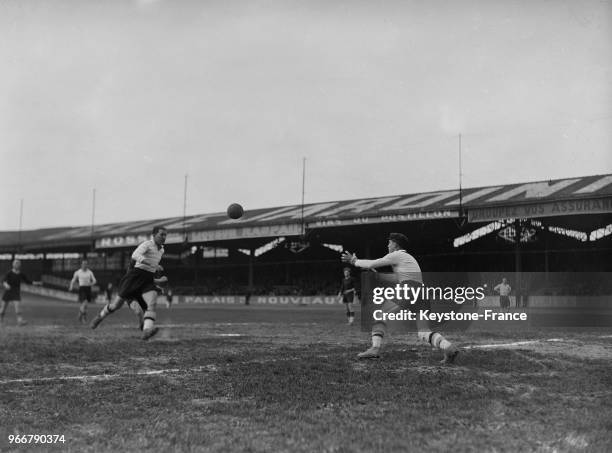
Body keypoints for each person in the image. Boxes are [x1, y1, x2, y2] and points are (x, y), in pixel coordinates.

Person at [341, 233, 459, 364]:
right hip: (422, 292)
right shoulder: (408, 258)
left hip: (409, 289)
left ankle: (375, 349)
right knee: (423, 332)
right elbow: (397, 279)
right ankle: (448, 347)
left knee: (380, 314)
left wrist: (353, 261)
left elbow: (373, 263)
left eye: (389, 243)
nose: (387, 245)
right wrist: (379, 277)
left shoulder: (396, 255)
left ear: (396, 245)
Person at [90, 226, 167, 340]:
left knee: (152, 303)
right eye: (162, 234)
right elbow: (135, 255)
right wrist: (152, 265)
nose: (164, 237)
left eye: (165, 235)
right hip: (132, 280)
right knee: (116, 306)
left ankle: (146, 330)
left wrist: (157, 282)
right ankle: (100, 316)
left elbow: (148, 273)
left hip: (147, 280)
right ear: (154, 235)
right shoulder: (146, 244)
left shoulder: (161, 250)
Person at [1, 259, 41, 326]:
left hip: (16, 292)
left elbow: (28, 281)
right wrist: (6, 285)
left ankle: (20, 321)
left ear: (20, 265)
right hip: (8, 292)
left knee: (18, 308)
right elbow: (3, 281)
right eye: (16, 263)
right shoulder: (9, 273)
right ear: (13, 264)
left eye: (18, 263)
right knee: (2, 309)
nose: (17, 264)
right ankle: (1, 320)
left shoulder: (21, 274)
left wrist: (36, 283)